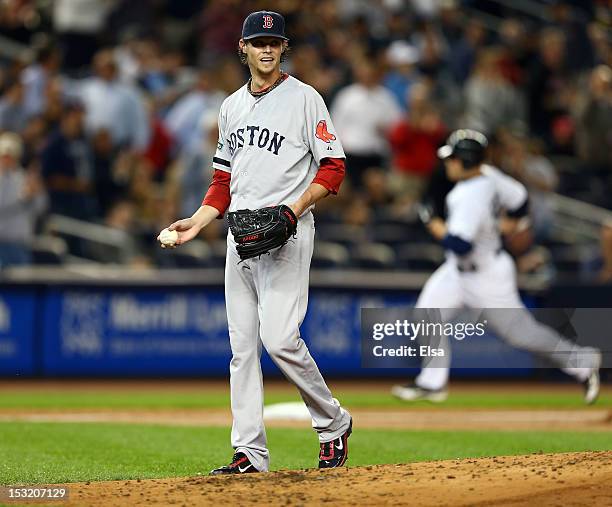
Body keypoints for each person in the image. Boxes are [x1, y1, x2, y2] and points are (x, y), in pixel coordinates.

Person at [157, 11, 352, 474]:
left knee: (280, 340)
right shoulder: (230, 107)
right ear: (242, 48)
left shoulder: (306, 99)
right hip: (239, 236)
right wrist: (199, 221)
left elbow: (334, 167)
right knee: (242, 349)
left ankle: (333, 422)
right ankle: (249, 452)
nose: (267, 49)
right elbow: (222, 180)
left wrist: (294, 209)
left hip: (287, 233)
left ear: (284, 48)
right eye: (258, 42)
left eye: (275, 42)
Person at [391, 129, 601, 405]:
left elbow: (460, 244)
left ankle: (582, 360)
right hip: (457, 271)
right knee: (426, 316)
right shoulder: (490, 175)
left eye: (453, 158)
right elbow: (520, 198)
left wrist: (432, 223)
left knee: (521, 335)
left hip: (486, 274)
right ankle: (432, 383)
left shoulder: (467, 196)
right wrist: (514, 223)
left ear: (465, 160)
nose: (448, 163)